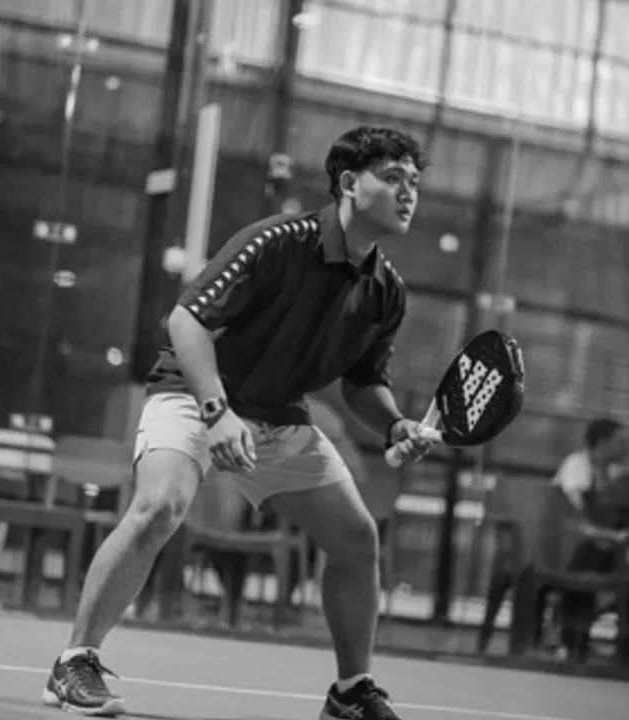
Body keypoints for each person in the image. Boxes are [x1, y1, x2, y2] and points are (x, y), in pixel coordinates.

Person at [42, 125, 433, 719]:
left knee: (356, 539)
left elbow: (362, 381)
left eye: (414, 182)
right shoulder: (276, 242)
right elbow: (187, 320)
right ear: (351, 183)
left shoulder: (387, 292)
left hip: (279, 417)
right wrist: (217, 411)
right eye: (394, 177)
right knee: (160, 506)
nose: (408, 193)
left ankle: (350, 693)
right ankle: (74, 661)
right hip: (195, 395)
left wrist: (395, 423)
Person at [551, 418, 629, 662]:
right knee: (592, 559)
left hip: (599, 545)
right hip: (562, 546)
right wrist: (611, 536)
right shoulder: (578, 466)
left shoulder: (612, 473)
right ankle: (572, 638)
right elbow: (575, 520)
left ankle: (598, 641)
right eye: (621, 441)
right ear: (603, 443)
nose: (626, 447)